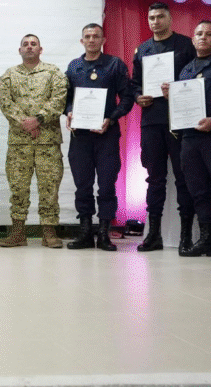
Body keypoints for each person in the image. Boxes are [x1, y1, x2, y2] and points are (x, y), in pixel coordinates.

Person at [161, 21, 211, 261]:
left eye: (210, 34)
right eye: (199, 34)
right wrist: (170, 96)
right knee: (198, 191)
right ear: (193, 40)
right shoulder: (185, 70)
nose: (204, 37)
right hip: (190, 138)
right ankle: (207, 239)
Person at [131, 1, 196, 252]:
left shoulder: (185, 45)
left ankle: (185, 236)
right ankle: (154, 235)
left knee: (184, 178)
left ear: (170, 19)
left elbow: (195, 78)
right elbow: (135, 83)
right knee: (154, 178)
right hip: (151, 120)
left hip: (180, 120)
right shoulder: (143, 49)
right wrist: (138, 96)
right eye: (152, 18)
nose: (155, 21)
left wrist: (177, 91)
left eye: (160, 17)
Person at [64, 24, 134, 251]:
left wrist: (111, 119)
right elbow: (65, 99)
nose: (92, 40)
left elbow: (127, 98)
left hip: (107, 135)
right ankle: (85, 232)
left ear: (103, 39)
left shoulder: (115, 65)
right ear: (81, 40)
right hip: (80, 137)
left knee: (106, 185)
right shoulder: (74, 67)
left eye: (96, 36)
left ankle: (104, 233)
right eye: (87, 36)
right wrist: (69, 112)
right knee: (82, 185)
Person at [0, 34, 67, 248]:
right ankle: (18, 232)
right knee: (18, 187)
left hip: (48, 142)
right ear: (19, 50)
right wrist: (25, 123)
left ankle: (49, 232)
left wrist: (38, 120)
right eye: (25, 44)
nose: (29, 47)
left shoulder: (53, 73)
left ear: (40, 49)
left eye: (33, 44)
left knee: (49, 188)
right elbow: (6, 103)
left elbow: (59, 99)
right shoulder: (9, 75)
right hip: (20, 142)